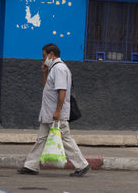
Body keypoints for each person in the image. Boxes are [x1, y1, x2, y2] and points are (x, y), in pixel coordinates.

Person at [17, 43, 90, 177]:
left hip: (55, 114)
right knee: (41, 139)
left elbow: (62, 91)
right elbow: (47, 87)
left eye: (44, 56)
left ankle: (82, 165)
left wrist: (58, 111)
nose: (43, 59)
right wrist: (44, 73)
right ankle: (31, 166)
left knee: (66, 139)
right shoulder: (54, 69)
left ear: (51, 54)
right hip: (48, 114)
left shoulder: (59, 69)